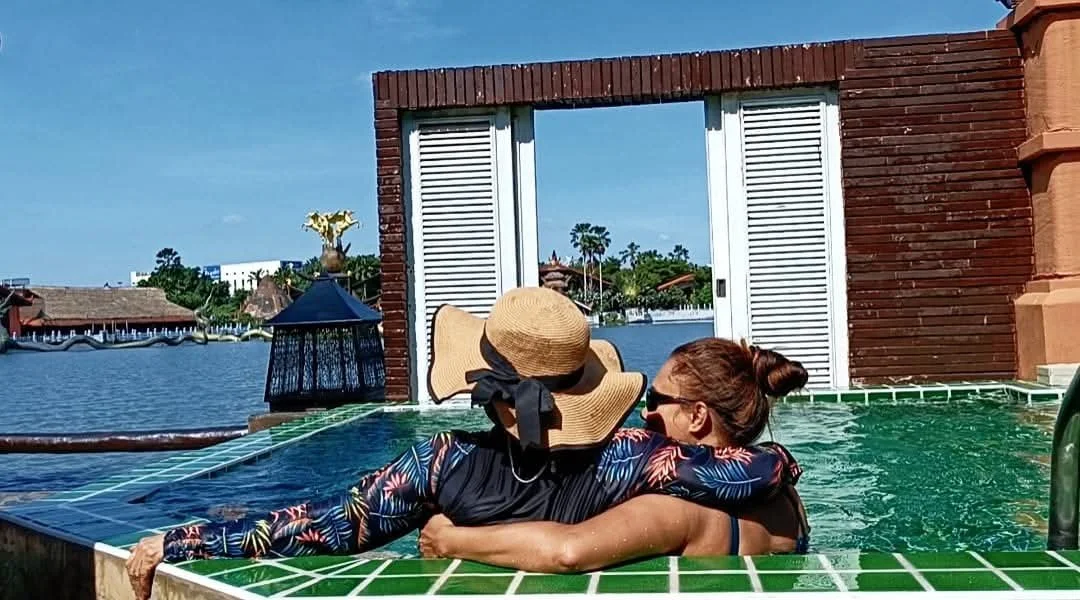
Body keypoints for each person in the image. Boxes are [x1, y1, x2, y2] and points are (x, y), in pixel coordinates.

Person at [127, 288, 804, 599]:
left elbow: (327, 525)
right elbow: (758, 470)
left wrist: (181, 542)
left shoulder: (440, 464)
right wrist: (782, 462)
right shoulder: (636, 458)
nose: (651, 414)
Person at [417, 337, 811, 572]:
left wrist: (450, 541)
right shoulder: (788, 501)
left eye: (657, 399)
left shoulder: (675, 511)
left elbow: (567, 553)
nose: (645, 411)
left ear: (696, 416)